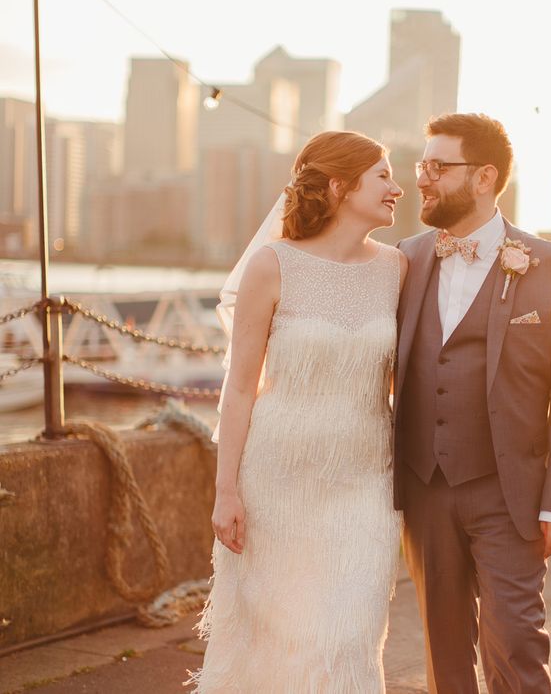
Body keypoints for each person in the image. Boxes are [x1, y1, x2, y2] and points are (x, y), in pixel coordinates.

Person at [187, 130, 407, 692]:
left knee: (349, 638)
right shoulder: (272, 265)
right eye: (383, 175)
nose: (397, 188)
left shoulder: (397, 269)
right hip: (277, 484)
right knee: (277, 643)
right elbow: (239, 389)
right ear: (339, 185)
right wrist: (226, 490)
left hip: (365, 485)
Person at [394, 113, 551, 693]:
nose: (423, 179)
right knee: (443, 651)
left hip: (512, 495)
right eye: (420, 165)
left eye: (438, 166)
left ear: (484, 177)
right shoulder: (403, 260)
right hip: (424, 486)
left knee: (516, 643)